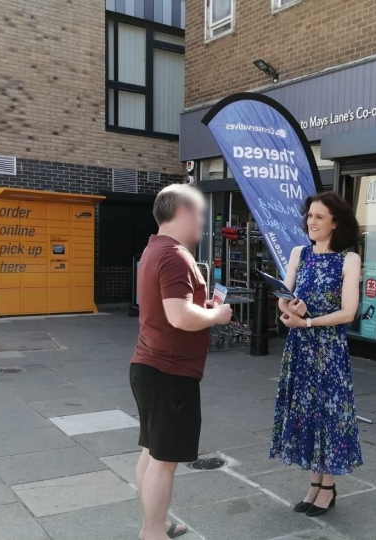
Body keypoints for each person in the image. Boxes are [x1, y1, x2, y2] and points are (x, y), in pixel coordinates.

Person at [129, 184, 232, 540]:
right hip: (169, 371)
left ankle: (151, 525)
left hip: (150, 366)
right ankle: (153, 531)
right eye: (201, 213)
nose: (203, 221)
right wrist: (217, 314)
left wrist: (201, 309)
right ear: (184, 211)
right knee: (163, 460)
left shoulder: (154, 249)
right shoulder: (174, 255)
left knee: (152, 452)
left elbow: (172, 307)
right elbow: (178, 316)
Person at [270, 191, 363, 517]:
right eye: (310, 216)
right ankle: (314, 483)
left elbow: (348, 312)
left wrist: (306, 321)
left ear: (335, 222)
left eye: (319, 217)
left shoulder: (349, 260)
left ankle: (328, 486)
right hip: (300, 350)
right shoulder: (299, 253)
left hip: (329, 351)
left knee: (328, 417)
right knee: (307, 416)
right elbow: (284, 294)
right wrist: (289, 305)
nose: (311, 222)